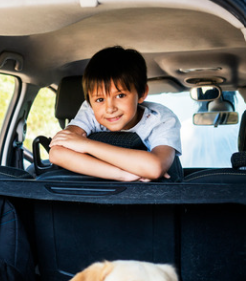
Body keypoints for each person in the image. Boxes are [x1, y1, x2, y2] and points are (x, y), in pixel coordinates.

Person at [49, 46, 182, 181]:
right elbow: (56, 153)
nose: (109, 108)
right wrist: (123, 175)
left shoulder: (161, 119)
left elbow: (155, 168)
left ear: (142, 94)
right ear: (90, 101)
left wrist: (85, 144)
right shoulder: (90, 110)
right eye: (100, 99)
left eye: (120, 95)